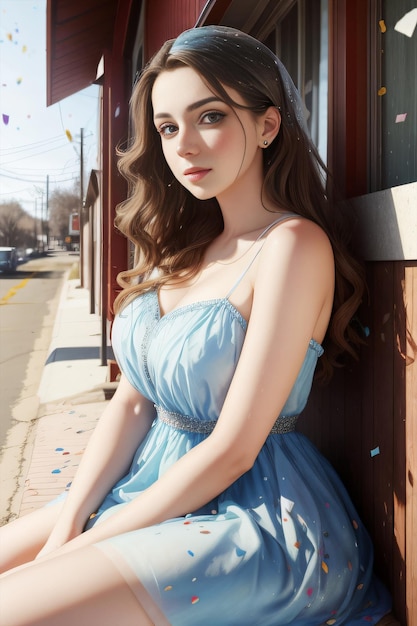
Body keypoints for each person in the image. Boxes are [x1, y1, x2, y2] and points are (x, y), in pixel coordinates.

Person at [0, 25, 392, 626]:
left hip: (253, 515)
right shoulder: (177, 249)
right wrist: (71, 520)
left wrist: (80, 547)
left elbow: (234, 449)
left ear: (267, 125)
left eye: (208, 116)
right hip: (149, 487)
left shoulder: (292, 245)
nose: (183, 144)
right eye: (166, 127)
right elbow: (131, 407)